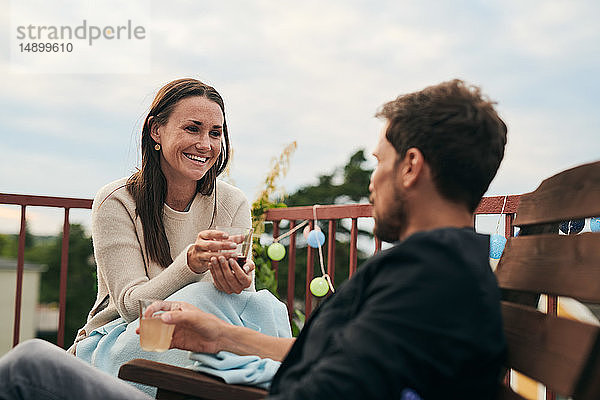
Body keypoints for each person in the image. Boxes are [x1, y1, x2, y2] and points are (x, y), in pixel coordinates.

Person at [0, 79, 507, 399]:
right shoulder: (436, 269)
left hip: (221, 382)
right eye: (192, 128)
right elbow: (330, 355)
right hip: (145, 344)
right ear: (156, 132)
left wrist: (228, 299)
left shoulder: (425, 276)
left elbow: (333, 379)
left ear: (412, 167)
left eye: (379, 163)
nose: (371, 182)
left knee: (26, 363)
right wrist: (222, 335)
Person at [69, 78, 255, 354]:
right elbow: (132, 307)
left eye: (215, 133)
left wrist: (238, 285)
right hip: (126, 336)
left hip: (201, 339)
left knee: (265, 308)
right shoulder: (117, 201)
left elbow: (239, 306)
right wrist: (190, 264)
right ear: (156, 130)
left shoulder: (232, 202)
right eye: (193, 129)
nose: (205, 145)